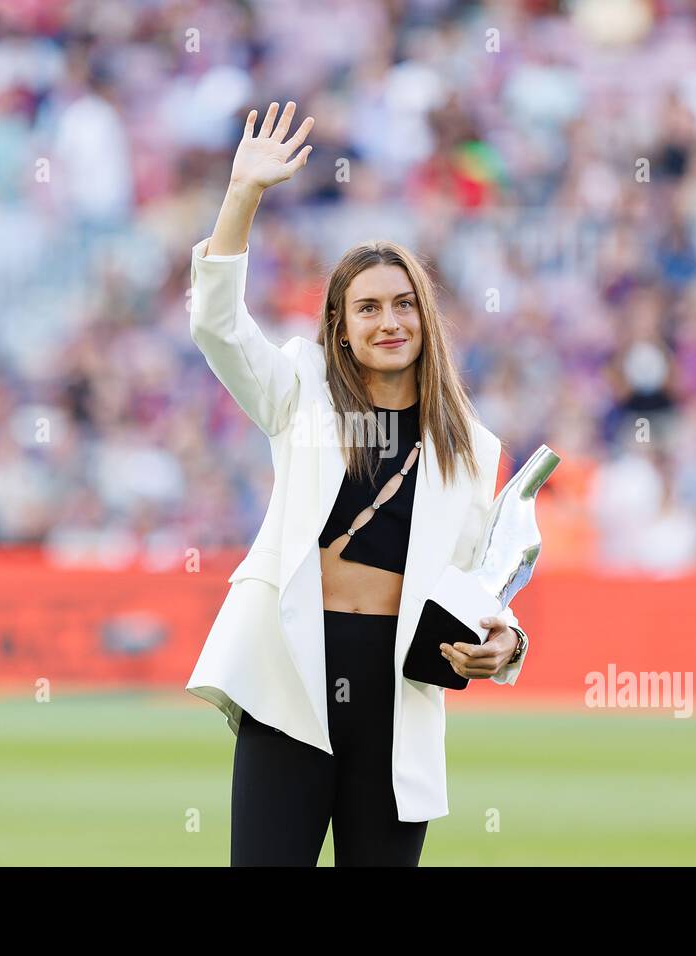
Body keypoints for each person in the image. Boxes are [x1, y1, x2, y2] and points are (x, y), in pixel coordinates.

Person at [186, 102, 530, 866]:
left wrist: (503, 646)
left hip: (398, 697)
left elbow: (481, 590)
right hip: (291, 679)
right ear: (339, 327)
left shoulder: (471, 448)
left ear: (425, 319)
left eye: (404, 304)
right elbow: (217, 328)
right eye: (367, 308)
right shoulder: (300, 388)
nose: (389, 321)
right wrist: (242, 195)